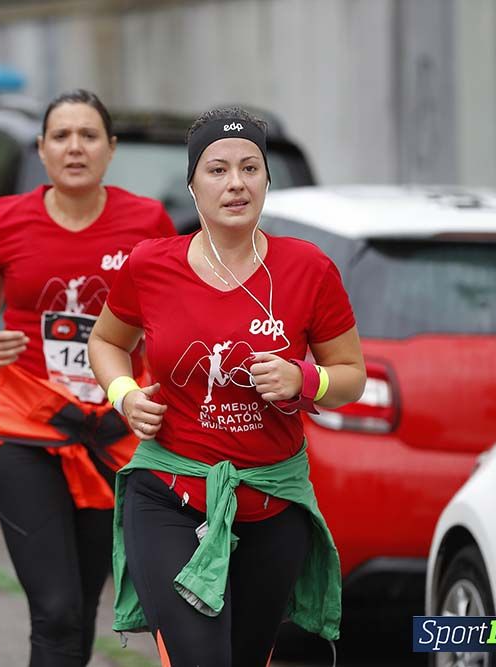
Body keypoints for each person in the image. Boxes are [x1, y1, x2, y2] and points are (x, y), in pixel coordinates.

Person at [87, 106, 367, 666]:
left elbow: (351, 377)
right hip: (171, 494)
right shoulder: (151, 265)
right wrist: (124, 396)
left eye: (250, 168)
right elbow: (106, 343)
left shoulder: (308, 270)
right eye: (217, 170)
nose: (235, 183)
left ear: (267, 179)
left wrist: (304, 378)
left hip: (271, 501)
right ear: (192, 183)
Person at [0, 89, 176, 666]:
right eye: (61, 136)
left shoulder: (147, 222)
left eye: (88, 136)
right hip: (23, 424)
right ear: (41, 149)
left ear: (111, 149)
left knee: (80, 606)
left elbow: (174, 318)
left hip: (111, 433)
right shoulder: (5, 220)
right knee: (54, 609)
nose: (74, 147)